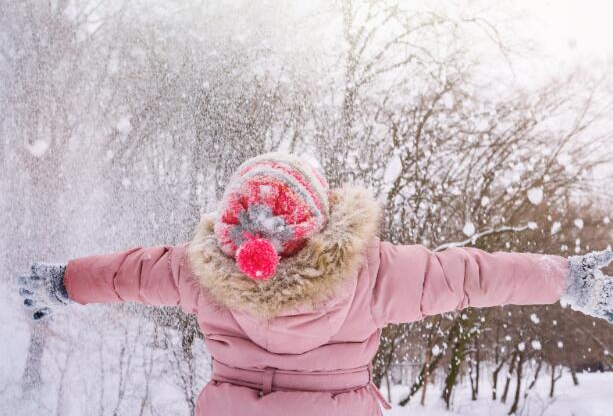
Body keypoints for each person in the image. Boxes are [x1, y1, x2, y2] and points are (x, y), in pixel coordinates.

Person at [18, 152, 613, 416]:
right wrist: (567, 278)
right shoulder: (375, 273)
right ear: (322, 218)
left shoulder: (196, 271)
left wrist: (62, 283)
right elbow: (473, 276)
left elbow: (128, 274)